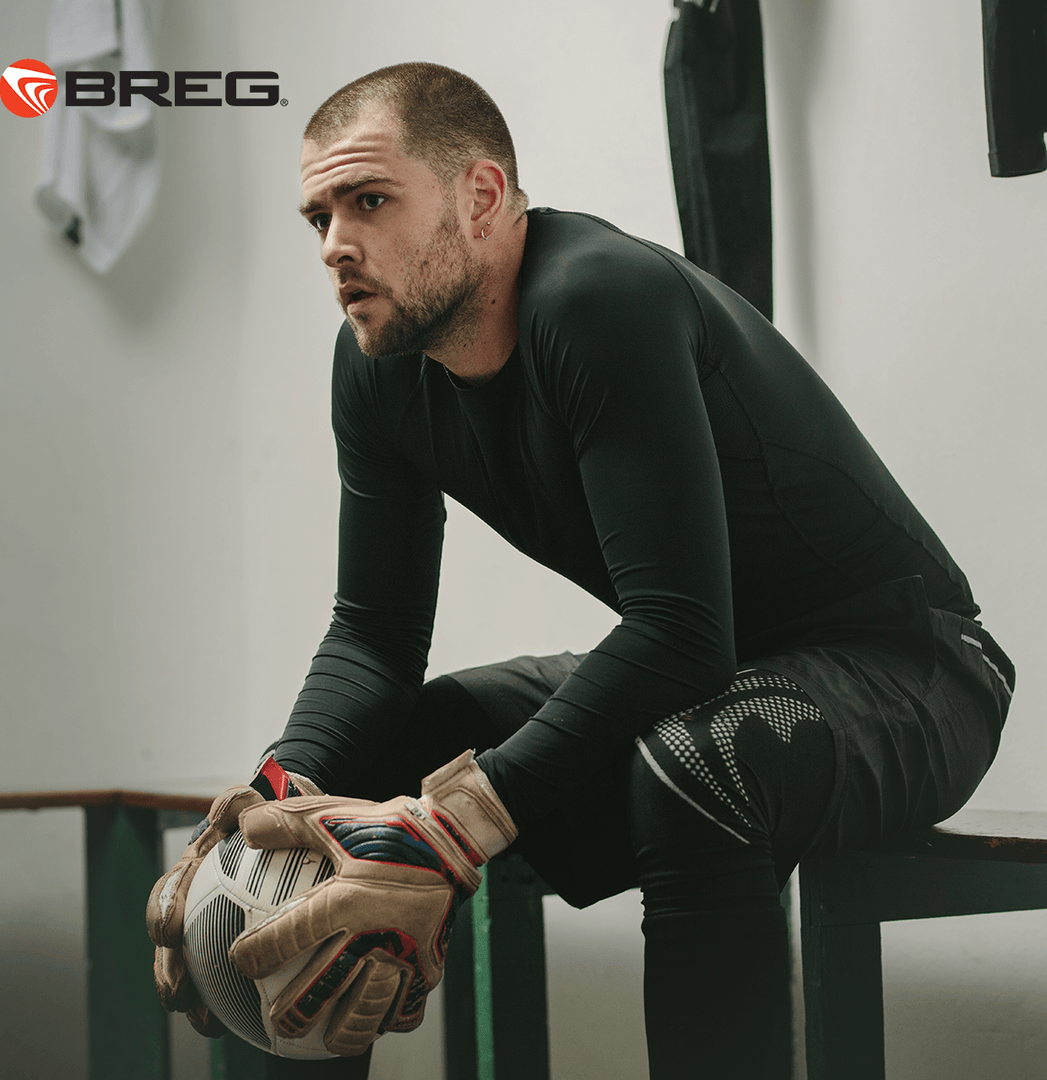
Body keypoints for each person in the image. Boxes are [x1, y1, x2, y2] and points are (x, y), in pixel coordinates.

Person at [147, 62, 1015, 1079]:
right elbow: (374, 633)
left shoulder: (597, 299)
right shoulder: (377, 366)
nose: (336, 243)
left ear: (480, 197)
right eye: (319, 217)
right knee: (371, 773)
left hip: (915, 671)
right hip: (723, 674)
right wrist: (276, 800)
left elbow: (681, 632)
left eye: (369, 201)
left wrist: (456, 827)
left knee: (698, 761)